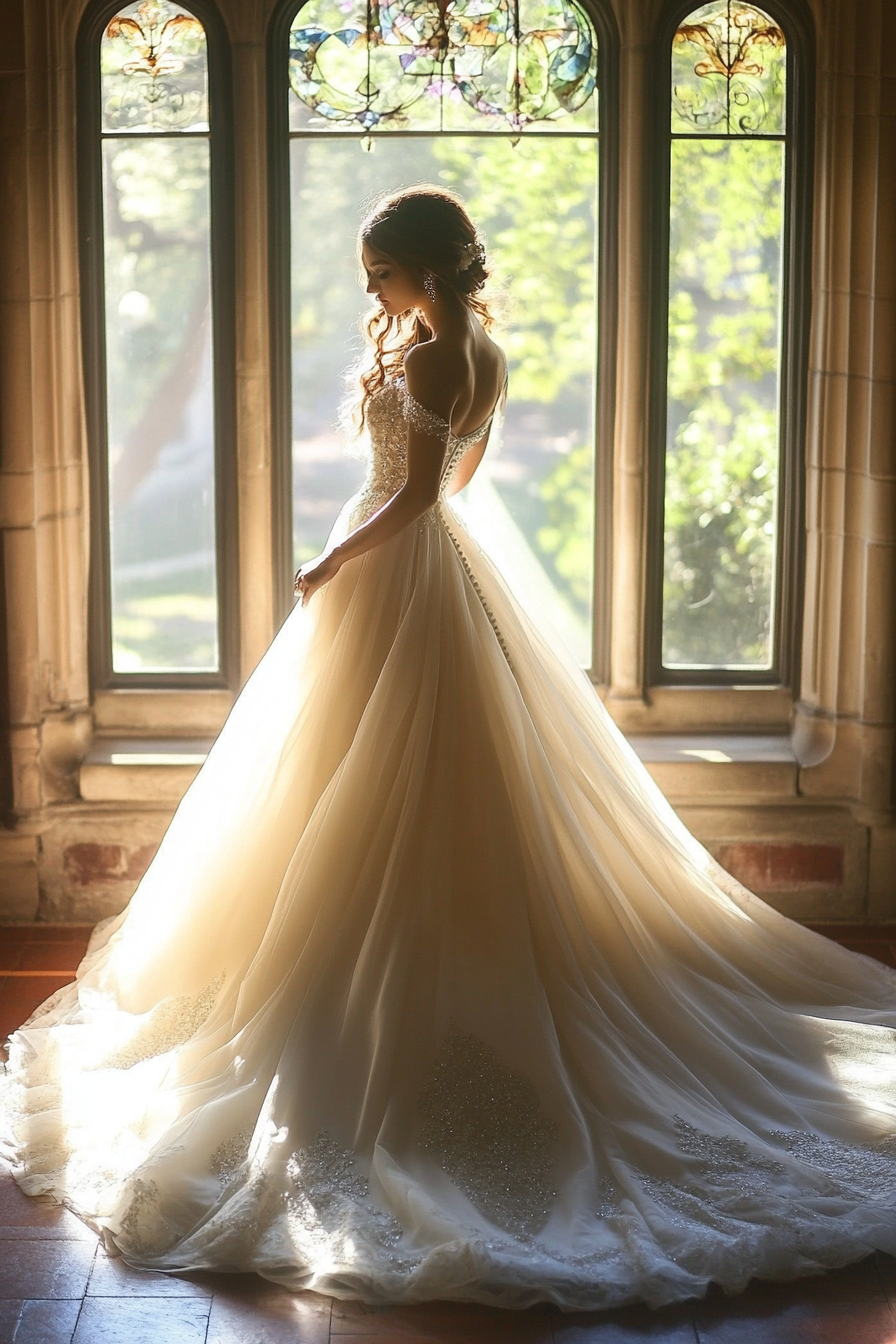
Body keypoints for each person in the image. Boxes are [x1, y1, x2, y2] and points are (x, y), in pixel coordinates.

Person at [4, 185, 896, 1314]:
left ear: (418, 271)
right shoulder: (479, 349)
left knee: (379, 781)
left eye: (376, 272)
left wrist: (334, 564)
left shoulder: (429, 360)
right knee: (371, 783)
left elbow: (421, 494)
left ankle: (381, 997)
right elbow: (462, 482)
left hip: (394, 573)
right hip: (437, 576)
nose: (368, 290)